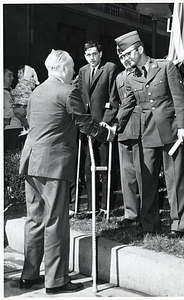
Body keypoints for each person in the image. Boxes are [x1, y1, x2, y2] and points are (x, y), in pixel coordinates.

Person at [19, 49, 115, 294]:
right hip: (54, 164)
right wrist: (107, 134)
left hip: (32, 161)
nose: (73, 73)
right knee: (56, 222)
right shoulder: (67, 91)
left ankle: (29, 275)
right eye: (72, 68)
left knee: (34, 220)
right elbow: (83, 122)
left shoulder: (37, 91)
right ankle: (56, 280)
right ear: (62, 68)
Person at [114, 31, 184, 237]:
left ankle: (179, 225)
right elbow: (128, 104)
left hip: (171, 131)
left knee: (175, 179)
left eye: (129, 53)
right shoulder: (131, 77)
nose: (127, 58)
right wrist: (114, 126)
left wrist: (183, 126)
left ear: (140, 49)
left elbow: (179, 99)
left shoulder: (166, 67)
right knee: (147, 180)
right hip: (147, 134)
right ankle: (149, 224)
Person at [71, 41, 119, 220]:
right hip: (87, 126)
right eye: (88, 55)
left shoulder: (109, 68)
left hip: (103, 126)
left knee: (106, 166)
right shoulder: (83, 71)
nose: (91, 58)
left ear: (100, 54)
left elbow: (114, 98)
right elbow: (79, 96)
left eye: (94, 54)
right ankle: (92, 207)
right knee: (88, 167)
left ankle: (107, 207)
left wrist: (106, 122)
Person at [115, 46, 142, 227]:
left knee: (143, 174)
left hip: (141, 129)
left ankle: (146, 213)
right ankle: (130, 213)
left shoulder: (142, 74)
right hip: (123, 130)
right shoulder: (119, 77)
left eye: (126, 55)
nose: (124, 59)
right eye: (120, 56)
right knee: (127, 175)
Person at [11, 65, 40, 134]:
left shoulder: (22, 83)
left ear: (26, 74)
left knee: (20, 116)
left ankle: (27, 129)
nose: (18, 74)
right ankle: (27, 129)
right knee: (24, 119)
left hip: (21, 104)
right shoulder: (29, 83)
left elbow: (17, 91)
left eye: (20, 73)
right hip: (25, 105)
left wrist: (12, 92)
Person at [3, 68, 23, 150]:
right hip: (9, 130)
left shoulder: (14, 92)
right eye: (9, 75)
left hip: (21, 129)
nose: (13, 78)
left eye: (13, 75)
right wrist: (15, 110)